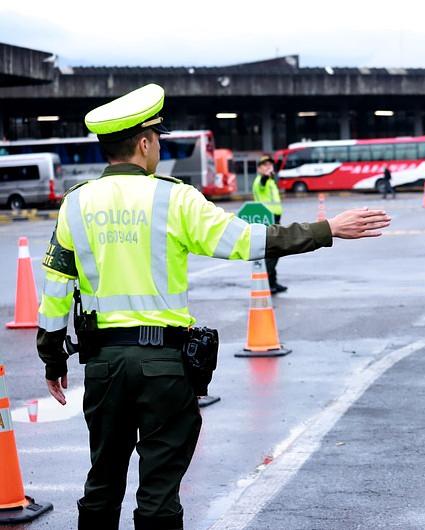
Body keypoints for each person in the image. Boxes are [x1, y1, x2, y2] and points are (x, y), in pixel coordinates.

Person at [35, 83, 390, 530]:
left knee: (103, 484)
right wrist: (326, 229)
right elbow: (247, 241)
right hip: (164, 367)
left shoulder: (75, 204)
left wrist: (52, 359)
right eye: (157, 138)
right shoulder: (173, 198)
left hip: (104, 367)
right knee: (159, 492)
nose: (159, 146)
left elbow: (55, 290)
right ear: (144, 143)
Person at [252, 154, 286, 293]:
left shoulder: (271, 181)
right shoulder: (261, 180)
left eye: (270, 165)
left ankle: (273, 282)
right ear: (259, 168)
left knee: (274, 252)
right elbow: (262, 184)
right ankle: (267, 283)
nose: (268, 167)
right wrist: (266, 175)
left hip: (274, 219)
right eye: (264, 165)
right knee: (272, 253)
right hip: (267, 220)